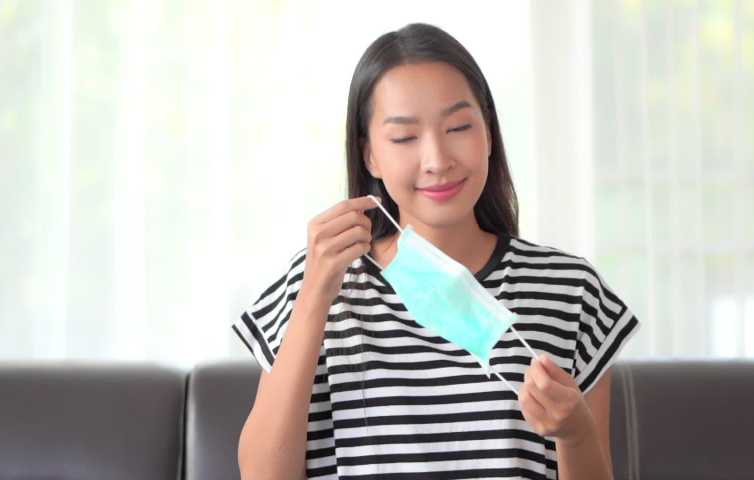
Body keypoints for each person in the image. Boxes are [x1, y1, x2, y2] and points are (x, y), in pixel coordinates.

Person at [233, 22, 640, 480]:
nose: (437, 159)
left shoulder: (570, 290)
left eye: (459, 126)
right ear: (369, 155)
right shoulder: (315, 282)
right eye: (404, 137)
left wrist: (576, 435)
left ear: (488, 131)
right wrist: (314, 298)